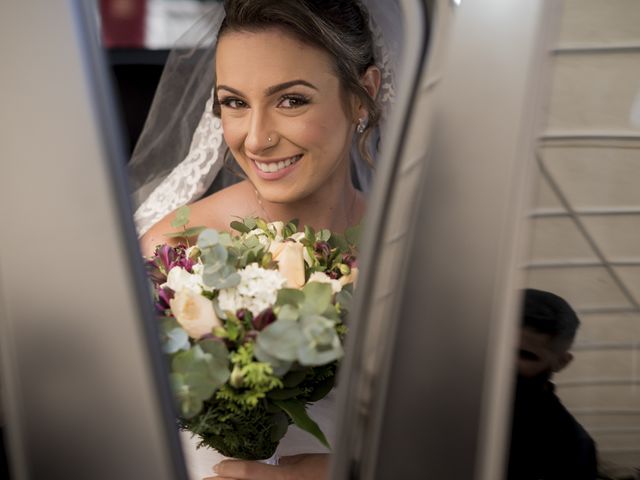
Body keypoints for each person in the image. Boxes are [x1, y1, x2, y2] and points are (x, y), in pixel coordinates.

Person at [130, 1, 399, 478]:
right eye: (234, 102)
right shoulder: (171, 250)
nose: (255, 140)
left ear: (363, 96)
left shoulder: (407, 251)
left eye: (291, 100)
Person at [507, 288, 598, 480]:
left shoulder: (570, 445)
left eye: (525, 355)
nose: (504, 364)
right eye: (496, 347)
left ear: (561, 362)